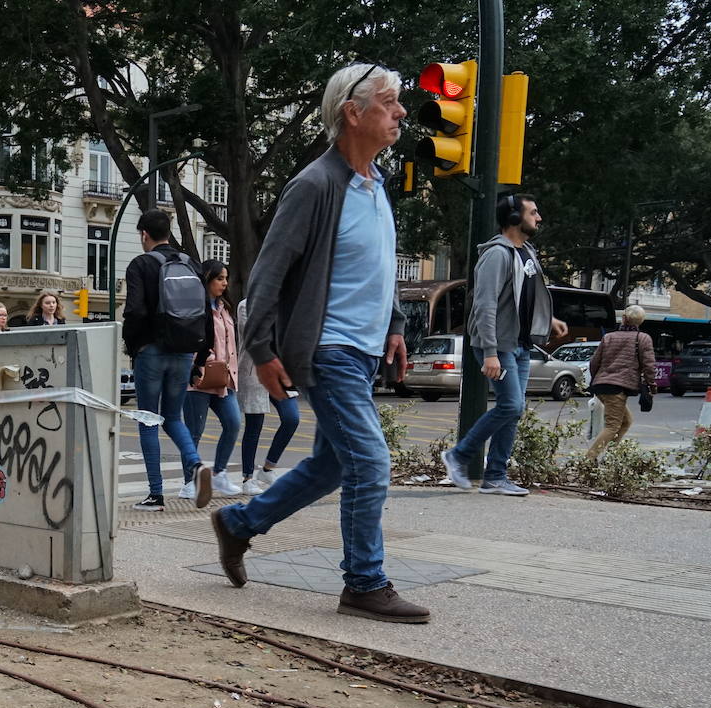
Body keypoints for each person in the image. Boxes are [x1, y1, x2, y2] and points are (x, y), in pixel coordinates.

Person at [210, 63, 426, 624]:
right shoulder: (315, 185)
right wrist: (261, 350)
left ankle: (238, 524)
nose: (401, 112)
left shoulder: (376, 186)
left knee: (335, 464)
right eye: (389, 103)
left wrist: (396, 326)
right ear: (353, 114)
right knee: (371, 461)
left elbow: (379, 271)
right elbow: (266, 276)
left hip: (362, 349)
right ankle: (364, 582)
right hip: (326, 348)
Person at [441, 193, 568, 496]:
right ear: (514, 218)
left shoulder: (527, 252)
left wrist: (548, 320)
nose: (539, 218)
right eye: (533, 212)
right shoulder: (497, 254)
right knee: (511, 404)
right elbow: (484, 305)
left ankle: (495, 477)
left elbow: (527, 295)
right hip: (498, 344)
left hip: (519, 343)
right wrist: (489, 352)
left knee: (513, 409)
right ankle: (457, 456)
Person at [123, 207, 214, 511]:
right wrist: (200, 358)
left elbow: (134, 311)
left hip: (151, 351)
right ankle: (196, 464)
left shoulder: (141, 265)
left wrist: (132, 345)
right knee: (173, 418)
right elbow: (206, 315)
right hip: (184, 351)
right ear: (168, 231)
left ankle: (155, 494)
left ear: (144, 234)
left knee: (148, 420)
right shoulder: (191, 264)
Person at [181, 260, 244, 500]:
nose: (225, 283)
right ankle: (189, 481)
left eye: (226, 278)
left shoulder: (225, 307)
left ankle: (219, 473)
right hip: (198, 378)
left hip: (223, 378)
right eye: (220, 278)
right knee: (194, 431)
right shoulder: (196, 307)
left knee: (233, 422)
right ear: (207, 279)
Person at [235, 299, 301, 493]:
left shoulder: (284, 305)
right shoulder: (246, 305)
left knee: (291, 419)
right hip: (254, 371)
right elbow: (256, 336)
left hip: (280, 371)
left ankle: (268, 468)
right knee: (254, 426)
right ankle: (248, 478)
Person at [585, 305, 656, 460]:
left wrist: (597, 380)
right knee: (612, 426)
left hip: (601, 385)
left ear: (623, 318)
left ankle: (610, 457)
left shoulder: (609, 337)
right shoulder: (643, 338)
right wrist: (652, 386)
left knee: (626, 421)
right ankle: (589, 459)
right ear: (640, 321)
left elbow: (594, 362)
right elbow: (649, 365)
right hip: (617, 388)